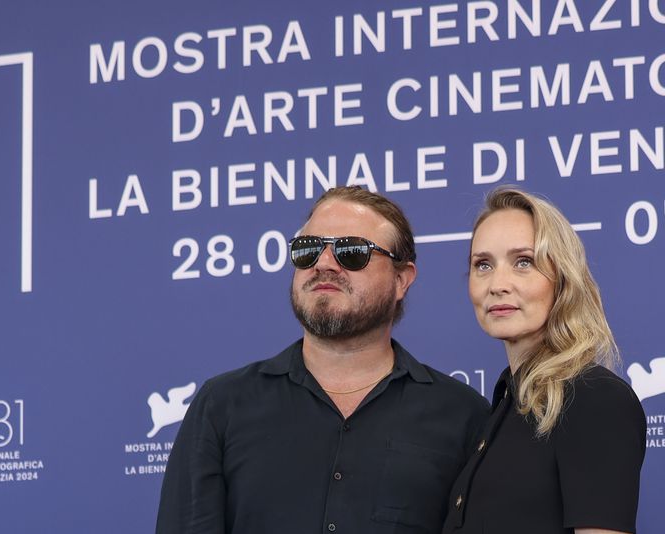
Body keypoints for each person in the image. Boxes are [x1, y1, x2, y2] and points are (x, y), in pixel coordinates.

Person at [156, 186, 489, 534]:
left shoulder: (463, 416)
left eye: (351, 251)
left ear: (401, 279)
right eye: (308, 249)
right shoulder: (223, 406)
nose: (324, 263)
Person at [442, 188, 646, 534]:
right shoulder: (504, 406)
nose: (497, 284)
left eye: (523, 262)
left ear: (562, 278)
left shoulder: (593, 397)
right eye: (483, 265)